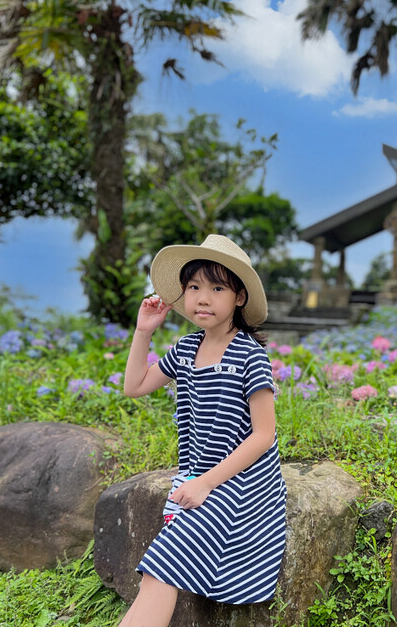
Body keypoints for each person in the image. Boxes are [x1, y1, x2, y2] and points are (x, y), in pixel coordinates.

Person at [119, 234, 287, 627]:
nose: (202, 298)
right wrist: (144, 330)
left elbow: (263, 436)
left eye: (216, 287)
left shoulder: (249, 355)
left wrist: (206, 484)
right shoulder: (185, 348)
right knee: (156, 572)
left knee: (161, 566)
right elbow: (134, 387)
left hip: (242, 484)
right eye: (193, 287)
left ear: (239, 297)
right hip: (197, 478)